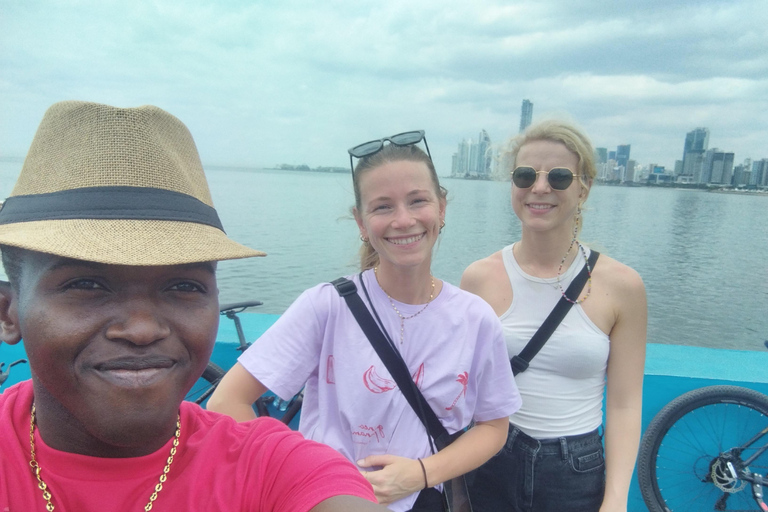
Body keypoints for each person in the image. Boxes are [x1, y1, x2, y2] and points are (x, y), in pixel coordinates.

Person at [0, 100, 384, 512]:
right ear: (9, 311)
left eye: (183, 285)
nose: (143, 328)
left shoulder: (274, 467)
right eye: (86, 284)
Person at [207, 131, 522, 512]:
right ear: (361, 222)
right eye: (383, 207)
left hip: (425, 500)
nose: (403, 220)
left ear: (441, 208)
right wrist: (311, 479)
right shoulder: (326, 306)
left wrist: (421, 472)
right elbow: (227, 402)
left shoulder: (474, 319)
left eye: (418, 201)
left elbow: (493, 427)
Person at [461, 119, 647, 512]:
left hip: (574, 470)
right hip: (492, 457)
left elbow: (625, 403)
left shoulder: (622, 286)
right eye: (526, 175)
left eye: (559, 176)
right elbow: (463, 389)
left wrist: (616, 498)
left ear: (584, 188)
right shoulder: (479, 278)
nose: (540, 187)